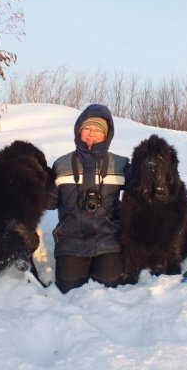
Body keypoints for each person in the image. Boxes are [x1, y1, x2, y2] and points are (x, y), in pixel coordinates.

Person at [46, 104, 130, 293]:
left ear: (106, 135)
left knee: (111, 286)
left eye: (98, 130)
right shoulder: (61, 164)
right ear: (79, 130)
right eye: (88, 129)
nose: (92, 134)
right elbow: (48, 202)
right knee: (67, 289)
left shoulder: (120, 164)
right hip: (70, 240)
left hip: (109, 240)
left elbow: (141, 191)